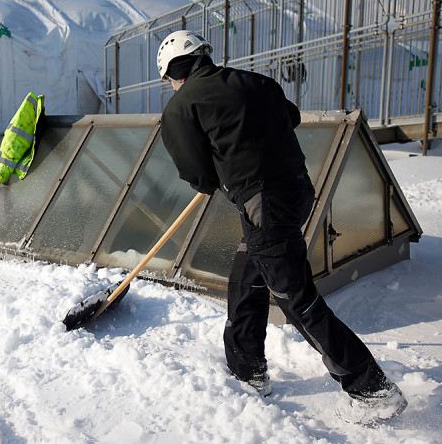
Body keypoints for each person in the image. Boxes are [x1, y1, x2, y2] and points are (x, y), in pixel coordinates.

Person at [157, 30, 407, 422]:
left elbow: (201, 179)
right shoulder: (256, 81)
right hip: (297, 191)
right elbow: (291, 117)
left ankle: (372, 389)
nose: (170, 86)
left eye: (168, 80)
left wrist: (221, 156)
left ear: (174, 72)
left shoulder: (180, 107)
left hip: (264, 206)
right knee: (246, 277)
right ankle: (247, 370)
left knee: (298, 301)